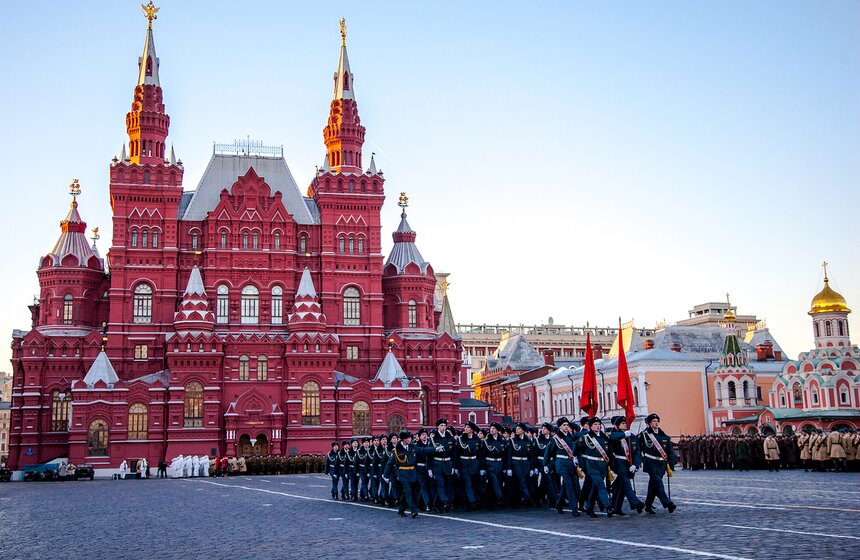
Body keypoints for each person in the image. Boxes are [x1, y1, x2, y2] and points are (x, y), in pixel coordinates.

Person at [383, 430, 440, 518]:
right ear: (402, 439)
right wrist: (386, 475)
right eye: (407, 438)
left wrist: (435, 449)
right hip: (402, 472)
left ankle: (401, 509)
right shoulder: (396, 450)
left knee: (407, 492)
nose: (409, 440)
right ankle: (413, 510)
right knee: (408, 490)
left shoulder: (412, 446)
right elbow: (389, 463)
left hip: (412, 472)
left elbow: (423, 450)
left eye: (410, 438)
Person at [637, 413, 676, 514]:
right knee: (658, 483)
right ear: (649, 423)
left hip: (661, 464)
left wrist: (671, 466)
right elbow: (637, 449)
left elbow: (670, 452)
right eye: (654, 421)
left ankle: (648, 505)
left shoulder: (664, 436)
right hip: (650, 462)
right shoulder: (644, 435)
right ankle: (668, 503)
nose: (656, 423)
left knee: (653, 485)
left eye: (657, 421)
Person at [543, 416, 581, 516]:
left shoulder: (571, 437)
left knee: (570, 485)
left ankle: (558, 504)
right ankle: (574, 508)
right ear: (559, 427)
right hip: (561, 464)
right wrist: (545, 465)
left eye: (567, 425)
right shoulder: (555, 439)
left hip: (571, 464)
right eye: (564, 425)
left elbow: (575, 451)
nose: (566, 427)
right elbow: (548, 452)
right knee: (569, 485)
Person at [608, 416, 644, 515]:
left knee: (621, 488)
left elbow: (637, 452)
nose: (625, 425)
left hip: (629, 464)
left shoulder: (631, 436)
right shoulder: (615, 435)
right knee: (627, 484)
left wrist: (635, 465)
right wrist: (624, 434)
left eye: (625, 423)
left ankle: (616, 507)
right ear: (617, 426)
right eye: (622, 423)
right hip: (619, 463)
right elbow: (613, 438)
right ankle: (637, 503)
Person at [579, 417, 615, 517]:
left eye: (599, 424)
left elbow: (610, 453)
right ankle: (608, 506)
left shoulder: (604, 438)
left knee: (595, 487)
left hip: (603, 466)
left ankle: (589, 508)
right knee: (600, 485)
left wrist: (612, 466)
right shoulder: (585, 438)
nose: (597, 426)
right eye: (595, 424)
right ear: (590, 426)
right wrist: (579, 463)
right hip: (592, 465)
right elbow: (577, 449)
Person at [430, 418, 457, 512]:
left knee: (448, 484)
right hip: (437, 464)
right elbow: (429, 455)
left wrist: (454, 466)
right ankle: (445, 502)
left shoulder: (450, 438)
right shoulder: (433, 439)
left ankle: (438, 504)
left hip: (448, 463)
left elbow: (454, 453)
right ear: (437, 426)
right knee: (440, 483)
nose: (443, 427)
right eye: (441, 425)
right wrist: (429, 468)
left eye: (444, 425)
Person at [457, 421, 482, 511]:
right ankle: (472, 501)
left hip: (474, 462)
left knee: (473, 483)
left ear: (472, 429)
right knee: (467, 482)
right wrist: (457, 467)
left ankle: (469, 502)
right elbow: (457, 454)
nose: (465, 429)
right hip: (463, 462)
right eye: (465, 427)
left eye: (467, 427)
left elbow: (479, 454)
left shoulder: (477, 439)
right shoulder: (460, 439)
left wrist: (479, 465)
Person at [482, 422, 508, 509]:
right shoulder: (486, 441)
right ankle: (500, 498)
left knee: (496, 482)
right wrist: (483, 467)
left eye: (493, 428)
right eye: (491, 428)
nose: (491, 430)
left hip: (499, 464)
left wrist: (505, 467)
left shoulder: (502, 441)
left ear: (497, 430)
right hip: (490, 463)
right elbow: (483, 455)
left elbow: (505, 455)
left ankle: (489, 502)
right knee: (494, 480)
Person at [509, 422, 534, 507]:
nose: (517, 430)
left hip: (526, 463)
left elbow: (531, 455)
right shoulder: (512, 441)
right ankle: (527, 498)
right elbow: (509, 455)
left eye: (519, 428)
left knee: (522, 481)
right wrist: (508, 467)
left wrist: (532, 468)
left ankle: (517, 500)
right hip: (516, 462)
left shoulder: (528, 441)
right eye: (516, 428)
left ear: (523, 430)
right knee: (521, 480)